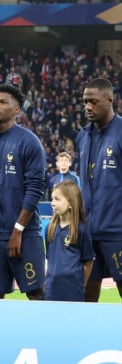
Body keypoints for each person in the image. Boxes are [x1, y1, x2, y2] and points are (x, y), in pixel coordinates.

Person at [0, 84, 46, 300]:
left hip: (25, 234)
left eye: (2, 102)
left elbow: (35, 188)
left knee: (36, 293)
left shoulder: (29, 142)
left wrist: (18, 229)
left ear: (16, 110)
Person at [77, 77, 122, 302]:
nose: (87, 107)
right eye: (85, 102)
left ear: (109, 100)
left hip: (117, 232)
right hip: (89, 232)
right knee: (86, 294)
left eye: (93, 102)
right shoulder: (83, 136)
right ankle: (86, 338)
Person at [45, 181, 94, 302]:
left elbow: (88, 262)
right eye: (52, 199)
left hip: (73, 290)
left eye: (57, 199)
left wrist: (81, 285)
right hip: (51, 288)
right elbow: (50, 258)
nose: (52, 203)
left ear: (71, 203)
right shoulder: (49, 229)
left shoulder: (81, 230)